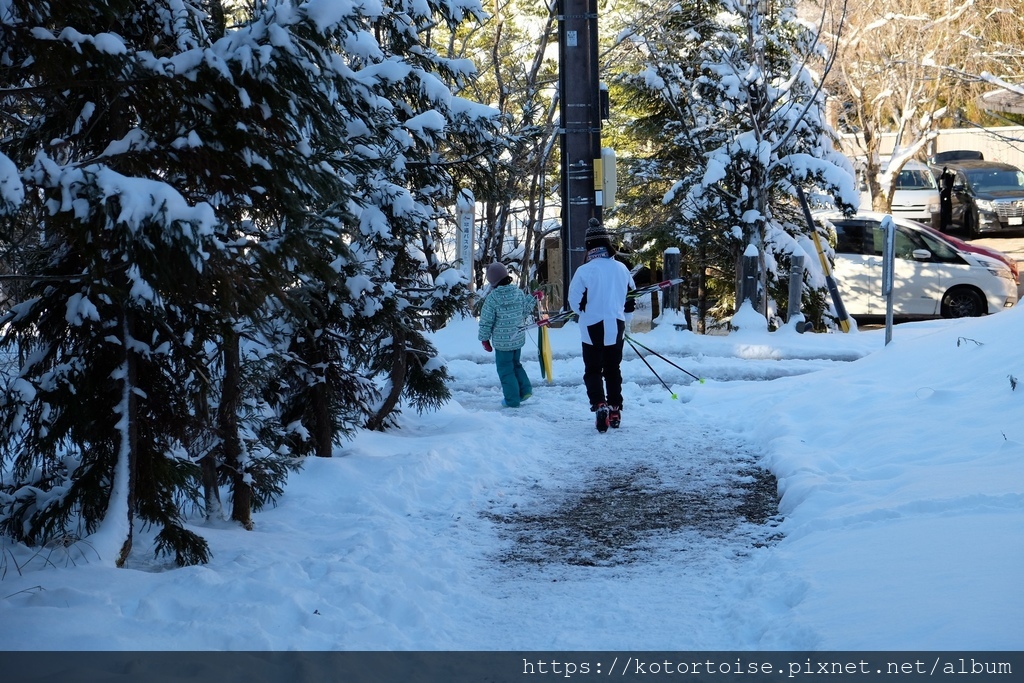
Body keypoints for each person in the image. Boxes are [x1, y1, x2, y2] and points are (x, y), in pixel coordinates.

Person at [567, 219, 636, 432]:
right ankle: (615, 408)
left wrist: (585, 312)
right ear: (607, 245)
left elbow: (574, 302)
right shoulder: (621, 268)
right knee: (613, 369)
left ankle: (599, 404)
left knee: (593, 369)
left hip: (591, 327)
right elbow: (631, 297)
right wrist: (625, 319)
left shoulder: (584, 271)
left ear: (589, 246)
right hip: (616, 325)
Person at [477, 262, 542, 408]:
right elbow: (524, 311)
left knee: (506, 370)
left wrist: (484, 339)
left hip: (502, 343)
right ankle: (525, 390)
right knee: (516, 365)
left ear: (492, 281)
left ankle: (512, 400)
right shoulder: (518, 293)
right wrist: (533, 298)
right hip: (517, 339)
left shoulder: (492, 299)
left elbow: (486, 321)